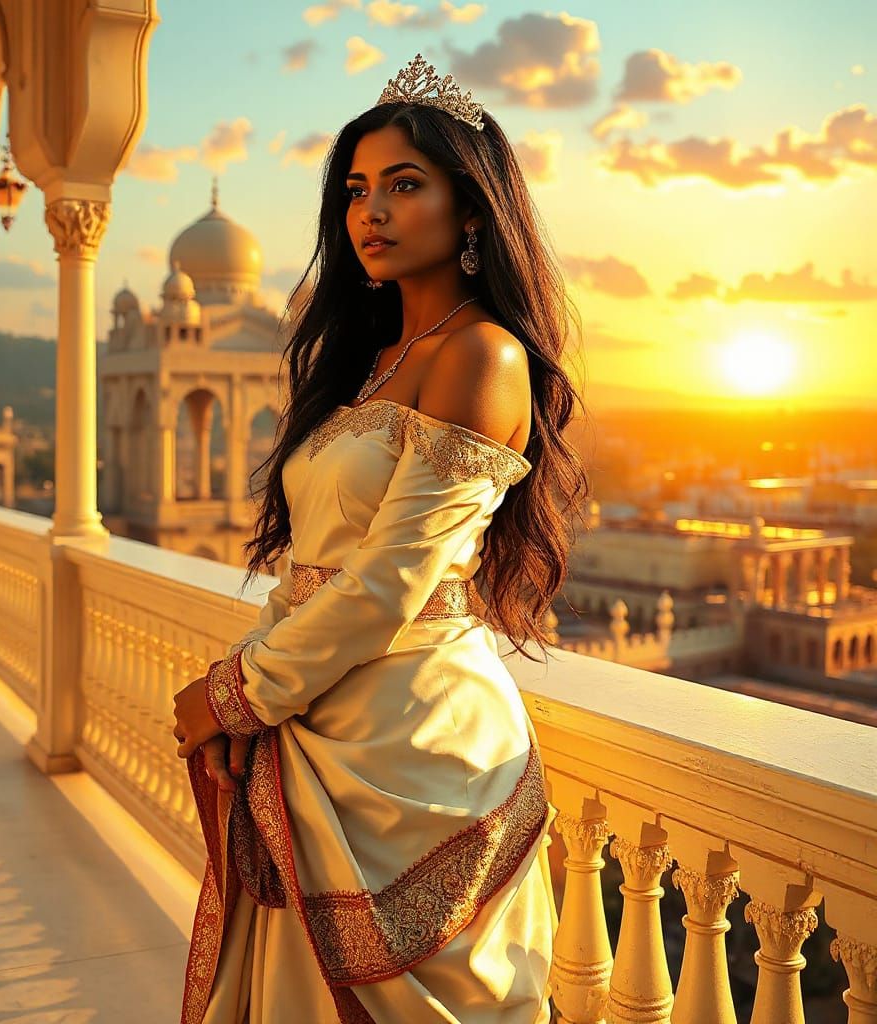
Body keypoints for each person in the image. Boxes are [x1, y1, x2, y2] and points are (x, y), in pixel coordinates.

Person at [172, 52, 590, 1024]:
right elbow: (316, 572)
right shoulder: (370, 366)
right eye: (358, 190)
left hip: (412, 750)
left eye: (404, 185)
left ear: (473, 210)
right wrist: (256, 694)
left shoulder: (480, 354)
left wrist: (235, 694)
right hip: (322, 725)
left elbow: (391, 583)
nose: (371, 211)